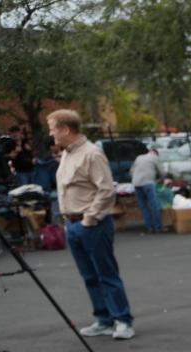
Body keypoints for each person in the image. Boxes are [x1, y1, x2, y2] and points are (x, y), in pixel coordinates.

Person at [48, 109, 135, 340]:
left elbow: (106, 190)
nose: (51, 134)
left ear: (66, 129)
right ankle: (104, 319)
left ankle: (123, 320)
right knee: (90, 276)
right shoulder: (67, 154)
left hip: (91, 224)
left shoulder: (91, 154)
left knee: (106, 273)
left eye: (53, 128)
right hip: (74, 224)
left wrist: (89, 218)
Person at [130, 146, 163, 233]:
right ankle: (157, 227)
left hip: (136, 183)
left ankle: (149, 227)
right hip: (148, 183)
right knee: (153, 205)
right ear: (156, 153)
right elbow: (162, 172)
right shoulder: (155, 157)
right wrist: (160, 179)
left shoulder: (139, 157)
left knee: (143, 206)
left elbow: (131, 171)